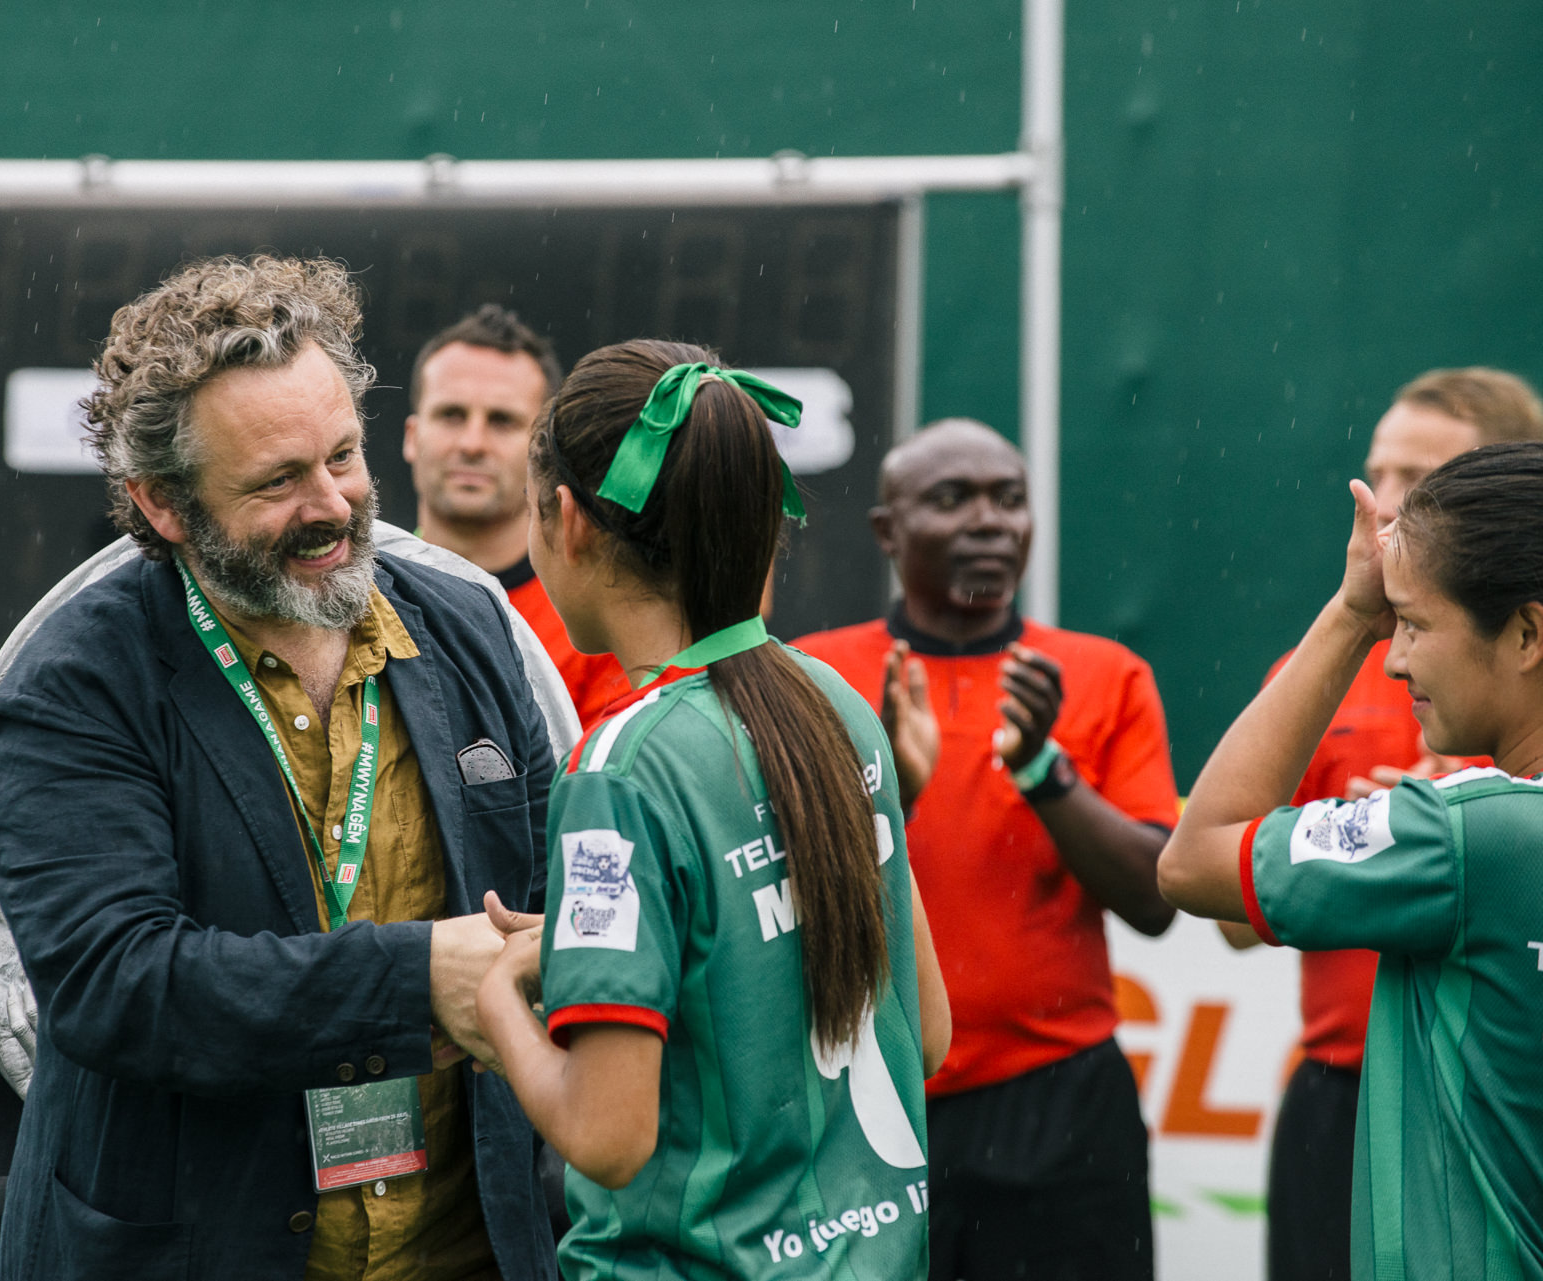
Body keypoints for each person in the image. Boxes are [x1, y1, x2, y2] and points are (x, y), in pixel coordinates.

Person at [0, 256, 557, 1280]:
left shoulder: (468, 631)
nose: (332, 505)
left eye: (343, 456)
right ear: (162, 504)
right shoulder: (80, 680)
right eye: (278, 482)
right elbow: (117, 985)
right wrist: (420, 979)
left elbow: (553, 901)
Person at [476, 340, 951, 1278]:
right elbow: (925, 1032)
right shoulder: (836, 701)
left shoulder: (621, 766)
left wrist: (498, 996)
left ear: (566, 522)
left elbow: (608, 1137)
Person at [794, 419, 1179, 1281]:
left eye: (1009, 499)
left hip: (1064, 1107)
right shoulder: (812, 679)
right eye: (952, 498)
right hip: (870, 1098)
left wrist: (1045, 768)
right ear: (888, 531)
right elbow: (781, 901)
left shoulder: (1103, 673)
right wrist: (892, 789)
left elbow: (1155, 898)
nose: (990, 522)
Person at [1158, 444, 1543, 1279]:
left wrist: (1347, 612)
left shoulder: (1462, 834)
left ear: (1526, 632)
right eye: (1386, 622)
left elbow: (1193, 859)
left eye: (1412, 622)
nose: (1395, 656)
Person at [405, 305, 628, 726]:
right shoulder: (352, 591)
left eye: (501, 421)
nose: (472, 443)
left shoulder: (593, 624)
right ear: (412, 437)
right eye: (451, 415)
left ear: (542, 449)